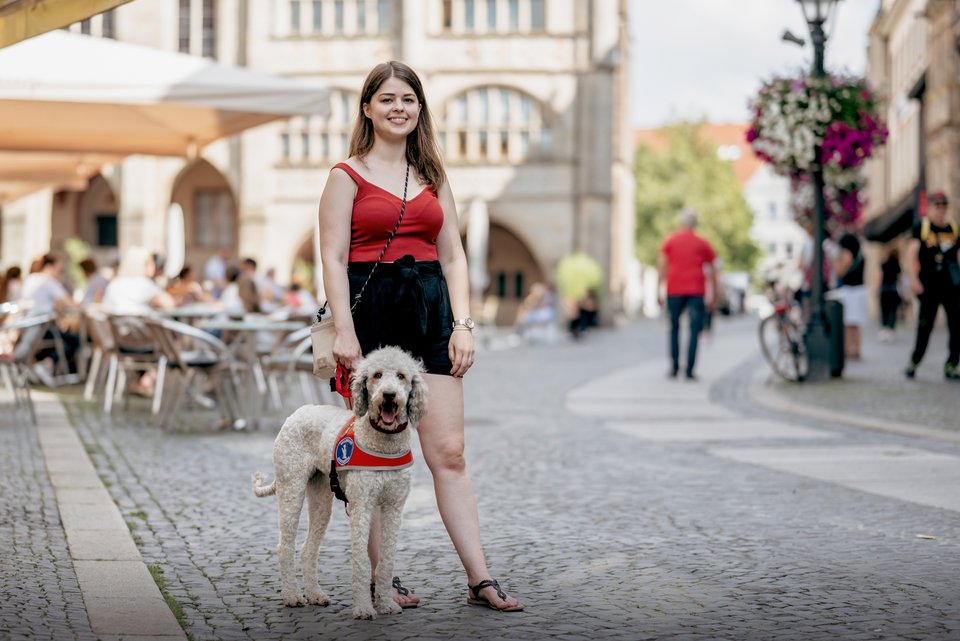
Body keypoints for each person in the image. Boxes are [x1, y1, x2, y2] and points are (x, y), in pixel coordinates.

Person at [317, 61, 522, 612]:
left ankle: (479, 577)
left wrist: (463, 323)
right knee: (370, 459)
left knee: (449, 452)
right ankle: (385, 576)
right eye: (386, 99)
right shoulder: (345, 175)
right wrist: (344, 330)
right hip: (372, 317)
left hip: (430, 314)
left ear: (419, 108)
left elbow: (453, 254)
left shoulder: (432, 173)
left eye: (408, 99)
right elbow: (333, 258)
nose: (398, 108)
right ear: (367, 108)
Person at [904, 191, 960, 380]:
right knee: (925, 325)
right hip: (929, 284)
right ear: (930, 207)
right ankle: (915, 361)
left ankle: (952, 364)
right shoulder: (922, 227)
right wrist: (913, 278)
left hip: (951, 285)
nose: (941, 210)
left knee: (956, 325)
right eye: (937, 206)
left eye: (944, 206)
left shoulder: (953, 228)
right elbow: (912, 254)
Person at [657, 208, 717, 380]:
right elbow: (713, 270)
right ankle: (690, 370)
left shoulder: (670, 241)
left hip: (674, 290)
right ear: (695, 224)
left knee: (674, 329)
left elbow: (661, 266)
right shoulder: (702, 243)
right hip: (696, 290)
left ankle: (674, 368)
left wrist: (658, 290)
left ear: (682, 223)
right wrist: (714, 295)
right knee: (694, 331)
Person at [102, 246, 176, 314]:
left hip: (117, 327)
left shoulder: (114, 284)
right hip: (141, 327)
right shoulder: (145, 284)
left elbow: (105, 306)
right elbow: (169, 304)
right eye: (148, 263)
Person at [829, 231, 867, 359]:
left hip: (851, 291)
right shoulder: (861, 255)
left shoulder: (847, 255)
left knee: (848, 323)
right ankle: (856, 348)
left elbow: (840, 272)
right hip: (860, 289)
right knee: (855, 324)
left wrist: (835, 262)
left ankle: (848, 349)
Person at [878, 248, 901, 342]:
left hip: (884, 290)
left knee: (884, 310)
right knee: (893, 311)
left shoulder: (884, 264)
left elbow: (879, 277)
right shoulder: (897, 265)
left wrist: (877, 289)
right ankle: (891, 330)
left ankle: (884, 329)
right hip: (893, 290)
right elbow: (900, 279)